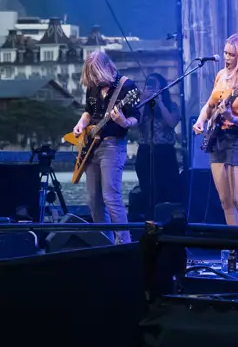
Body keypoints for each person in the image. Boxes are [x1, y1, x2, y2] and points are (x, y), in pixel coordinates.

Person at [193, 33, 238, 232]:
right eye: (225, 53)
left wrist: (231, 117)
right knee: (225, 200)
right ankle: (234, 243)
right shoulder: (221, 75)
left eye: (232, 55)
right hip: (218, 138)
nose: (227, 57)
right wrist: (201, 120)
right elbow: (210, 104)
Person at [72, 50, 139, 243]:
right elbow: (88, 112)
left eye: (96, 75)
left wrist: (123, 122)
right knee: (94, 199)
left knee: (111, 196)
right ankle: (104, 242)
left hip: (112, 145)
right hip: (91, 146)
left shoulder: (127, 87)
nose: (94, 80)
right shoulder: (93, 86)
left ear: (107, 68)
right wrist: (81, 124)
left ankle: (124, 242)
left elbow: (136, 118)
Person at [132, 72, 182, 219]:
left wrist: (159, 102)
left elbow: (171, 122)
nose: (151, 88)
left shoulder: (172, 106)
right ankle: (149, 220)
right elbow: (135, 123)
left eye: (154, 85)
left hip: (164, 152)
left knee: (167, 187)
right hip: (145, 151)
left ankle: (166, 220)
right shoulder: (141, 106)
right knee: (147, 189)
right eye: (148, 85)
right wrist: (143, 100)